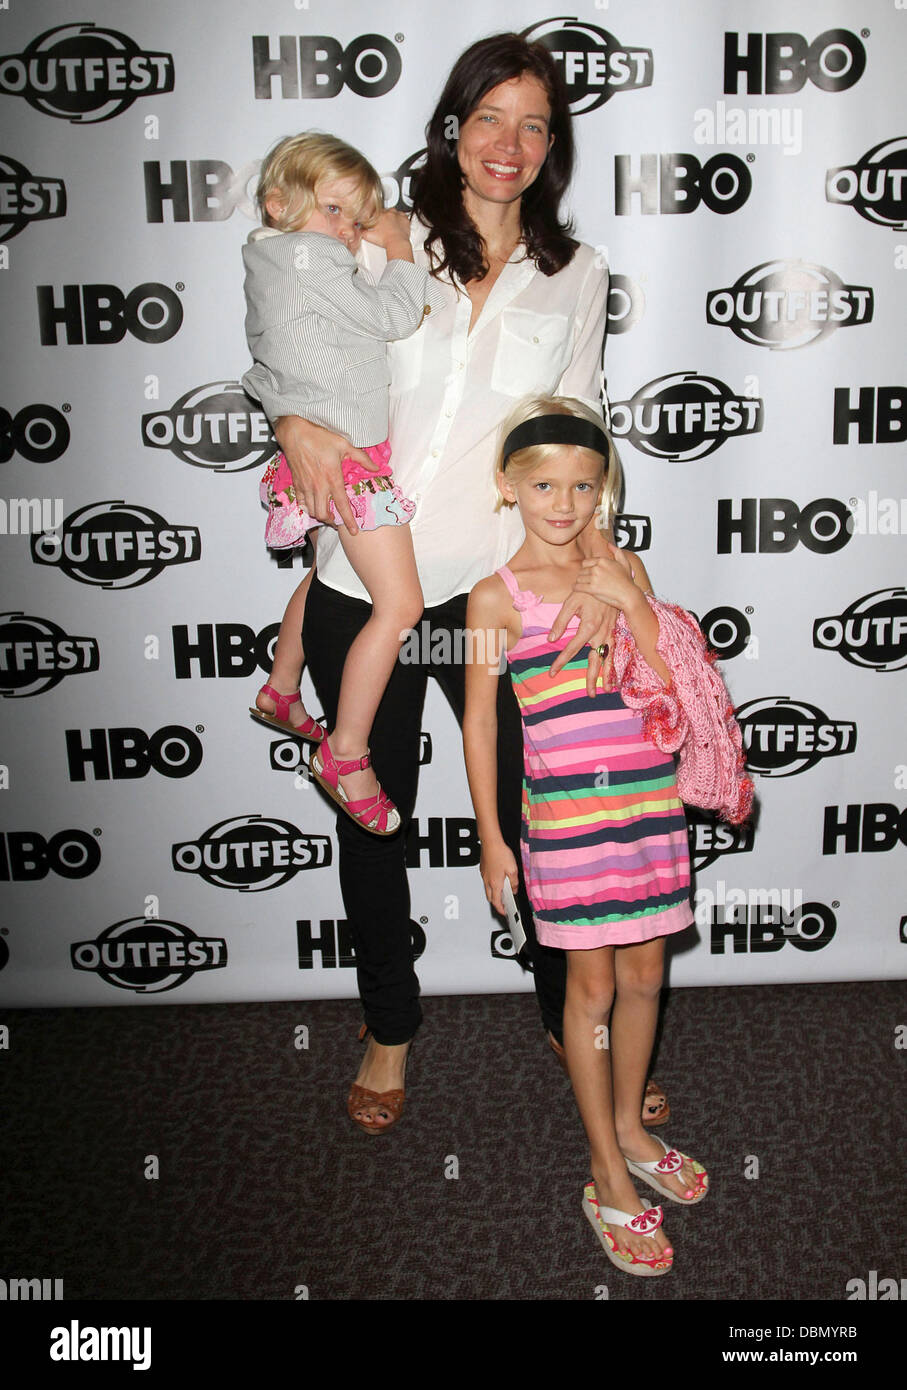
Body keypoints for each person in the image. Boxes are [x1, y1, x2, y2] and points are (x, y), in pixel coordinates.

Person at [271, 33, 668, 1135]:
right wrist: (292, 420)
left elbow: (574, 430)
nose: (510, 143)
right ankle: (389, 1024)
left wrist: (595, 567)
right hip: (370, 572)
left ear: (554, 146)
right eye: (489, 117)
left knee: (534, 801)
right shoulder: (385, 239)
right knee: (372, 810)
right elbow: (300, 346)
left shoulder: (576, 273)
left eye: (534, 124)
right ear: (452, 127)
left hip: (495, 588)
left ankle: (563, 1003)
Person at [463, 395, 708, 1275]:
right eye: (541, 485)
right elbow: (479, 728)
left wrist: (625, 598)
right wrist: (492, 839)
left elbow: (675, 675)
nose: (562, 505)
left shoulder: (624, 564)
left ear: (602, 490)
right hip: (565, 821)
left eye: (581, 486)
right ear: (506, 488)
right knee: (592, 990)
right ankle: (605, 1170)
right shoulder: (494, 597)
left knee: (646, 972)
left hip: (647, 809)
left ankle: (631, 1129)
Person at [242, 132, 430, 834]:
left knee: (326, 576)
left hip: (321, 451)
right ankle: (344, 755)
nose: (348, 234)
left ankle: (281, 688)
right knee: (400, 606)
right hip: (347, 461)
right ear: (278, 203)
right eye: (334, 212)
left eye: (358, 220)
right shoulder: (306, 255)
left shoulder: (267, 259)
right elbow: (391, 314)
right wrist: (400, 246)